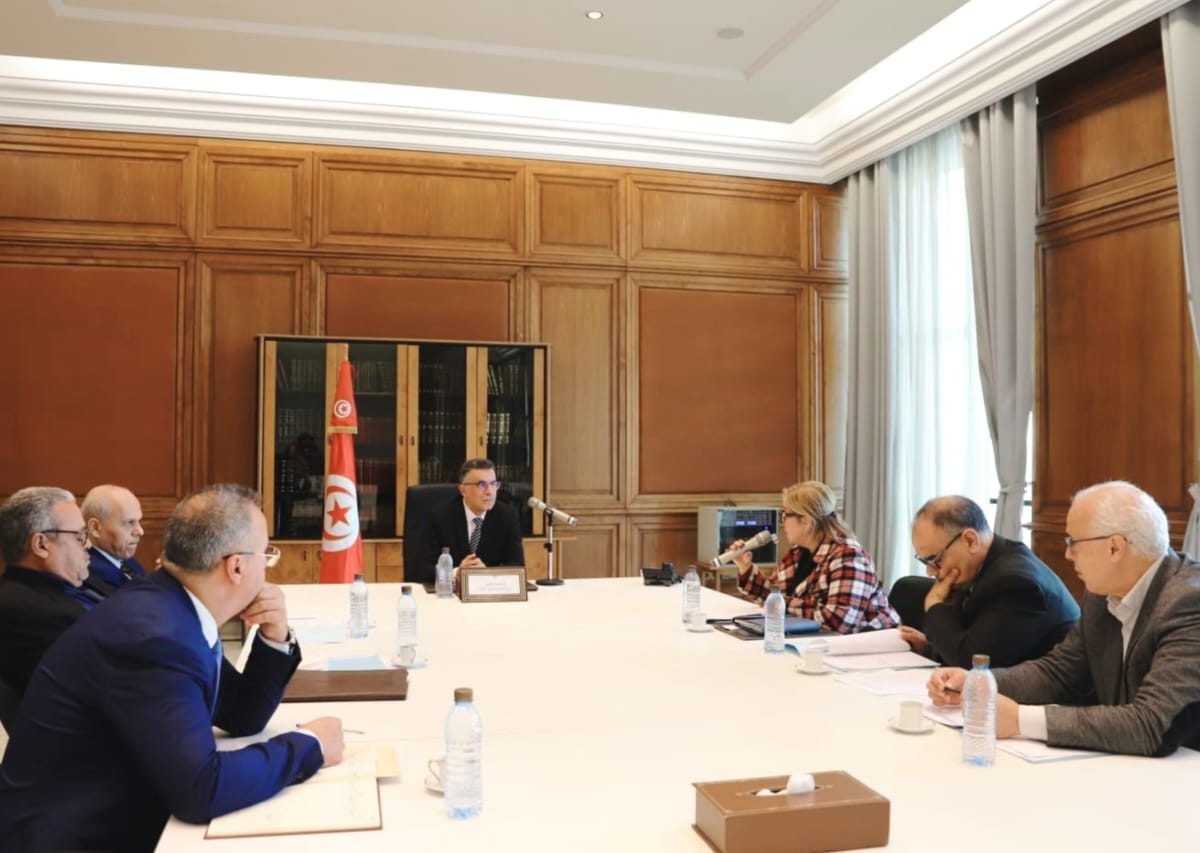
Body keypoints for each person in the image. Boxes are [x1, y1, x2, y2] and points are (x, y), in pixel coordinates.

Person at [0, 484, 344, 852]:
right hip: (73, 839)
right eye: (266, 555)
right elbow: (200, 790)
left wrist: (274, 636)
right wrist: (309, 746)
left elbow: (242, 715)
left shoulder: (171, 605)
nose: (267, 567)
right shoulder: (155, 635)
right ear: (237, 567)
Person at [928, 481, 1200, 756]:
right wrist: (979, 682)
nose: (1068, 554)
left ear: (1115, 548)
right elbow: (1059, 673)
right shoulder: (1102, 595)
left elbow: (1151, 725)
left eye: (1073, 542)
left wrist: (1020, 720)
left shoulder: (1189, 602)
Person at [901, 495, 1078, 667]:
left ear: (970, 541)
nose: (931, 571)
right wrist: (931, 649)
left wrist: (934, 604)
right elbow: (972, 642)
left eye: (935, 560)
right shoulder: (985, 566)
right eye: (925, 562)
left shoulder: (1016, 583)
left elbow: (974, 663)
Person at [734, 481, 899, 633]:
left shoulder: (849, 557)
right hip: (818, 640)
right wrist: (745, 567)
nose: (781, 523)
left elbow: (837, 622)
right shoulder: (798, 552)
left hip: (869, 646)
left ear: (806, 521)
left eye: (784, 515)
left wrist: (780, 604)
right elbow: (772, 594)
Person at [0, 486, 94, 695]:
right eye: (79, 536)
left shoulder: (22, 594)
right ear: (41, 545)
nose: (88, 544)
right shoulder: (38, 614)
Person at [415, 458, 525, 583]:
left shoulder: (507, 515)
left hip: (489, 589)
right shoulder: (440, 516)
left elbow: (517, 566)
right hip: (451, 591)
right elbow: (420, 569)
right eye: (482, 485)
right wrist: (456, 572)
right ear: (463, 490)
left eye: (493, 484)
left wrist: (487, 573)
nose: (489, 492)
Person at [80, 483, 148, 598]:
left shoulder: (124, 561)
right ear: (95, 528)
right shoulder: (89, 573)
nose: (140, 531)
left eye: (138, 521)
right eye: (129, 523)